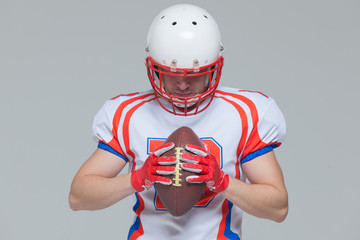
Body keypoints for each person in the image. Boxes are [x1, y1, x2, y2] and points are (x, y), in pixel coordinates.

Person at [69, 4, 288, 240]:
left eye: (194, 76)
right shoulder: (128, 114)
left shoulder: (245, 113)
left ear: (215, 67)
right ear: (153, 67)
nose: (182, 85)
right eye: (172, 74)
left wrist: (222, 182)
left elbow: (278, 208)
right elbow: (78, 197)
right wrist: (137, 178)